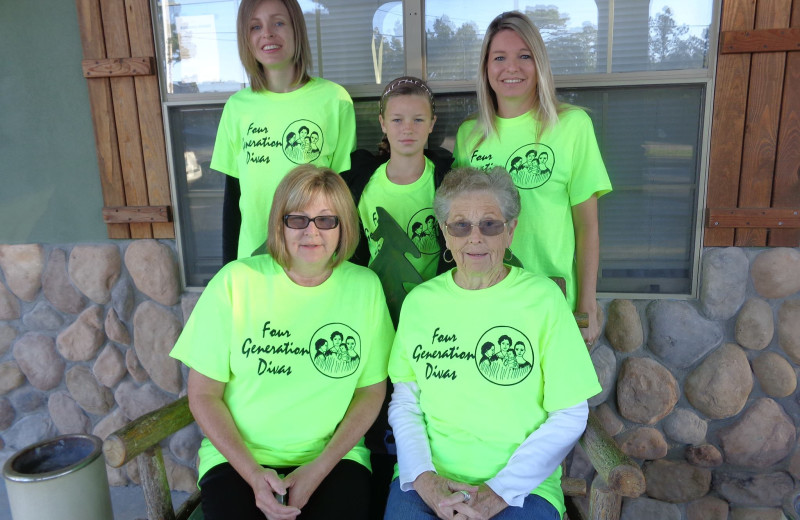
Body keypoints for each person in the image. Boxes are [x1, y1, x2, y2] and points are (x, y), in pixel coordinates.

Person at [170, 165, 394, 520]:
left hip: (333, 459)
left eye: (326, 220)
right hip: (239, 459)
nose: (312, 232)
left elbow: (370, 391)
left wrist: (318, 469)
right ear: (279, 223)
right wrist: (254, 475)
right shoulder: (236, 282)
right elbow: (203, 394)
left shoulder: (364, 288)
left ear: (343, 227)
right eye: (297, 219)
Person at [385, 167, 601, 520]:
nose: (475, 238)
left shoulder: (542, 300)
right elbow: (406, 401)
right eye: (460, 225)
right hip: (428, 480)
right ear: (444, 232)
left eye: (490, 224)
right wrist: (425, 480)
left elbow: (570, 413)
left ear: (510, 231)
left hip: (523, 489)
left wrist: (499, 491)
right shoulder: (421, 303)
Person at [453, 11, 612, 346]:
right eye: (500, 57)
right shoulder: (470, 135)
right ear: (486, 67)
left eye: (524, 56)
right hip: (486, 295)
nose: (512, 67)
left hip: (552, 297)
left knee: (556, 397)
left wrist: (586, 305)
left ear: (539, 64)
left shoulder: (572, 126)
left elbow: (587, 227)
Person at [214, 0, 357, 264]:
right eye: (255, 26)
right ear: (246, 38)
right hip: (254, 263)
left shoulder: (335, 100)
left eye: (278, 22)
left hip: (315, 256)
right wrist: (227, 267)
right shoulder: (236, 108)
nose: (267, 33)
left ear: (296, 30)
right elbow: (233, 199)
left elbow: (345, 191)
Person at [342, 76, 454, 325]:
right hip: (379, 309)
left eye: (418, 119)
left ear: (431, 124)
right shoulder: (360, 183)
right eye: (397, 119)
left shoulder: (447, 180)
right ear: (382, 123)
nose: (407, 128)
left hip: (437, 309)